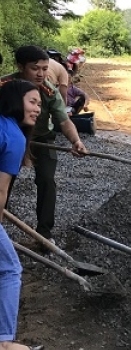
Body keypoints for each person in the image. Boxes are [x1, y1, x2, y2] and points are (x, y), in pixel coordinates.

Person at [3, 45, 87, 243]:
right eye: (35, 68)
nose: (41, 74)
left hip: (42, 139)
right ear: (20, 66)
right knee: (5, 180)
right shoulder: (5, 86)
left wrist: (76, 141)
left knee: (47, 180)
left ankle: (44, 234)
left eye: (44, 68)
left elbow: (64, 121)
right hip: (11, 139)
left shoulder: (49, 91)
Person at [0, 79, 44, 350]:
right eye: (32, 102)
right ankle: (4, 342)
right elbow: (1, 190)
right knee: (9, 269)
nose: (37, 109)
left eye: (39, 104)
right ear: (16, 103)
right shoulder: (13, 136)